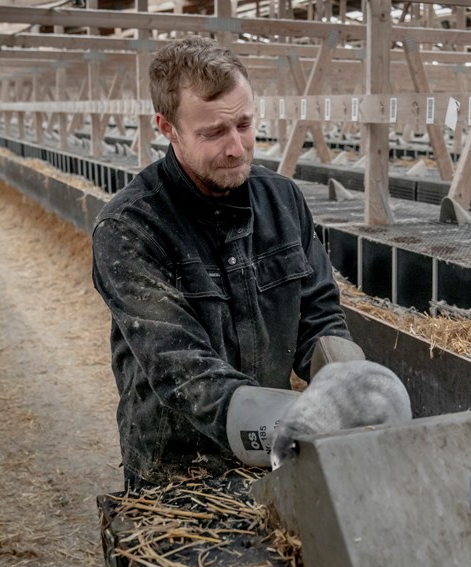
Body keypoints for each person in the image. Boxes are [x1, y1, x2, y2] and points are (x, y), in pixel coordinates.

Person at [92, 36, 363, 489]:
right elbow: (181, 367)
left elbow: (318, 314)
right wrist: (290, 423)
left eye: (244, 124)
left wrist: (349, 383)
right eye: (214, 133)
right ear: (168, 128)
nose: (236, 147)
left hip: (270, 453)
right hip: (179, 472)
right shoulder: (130, 227)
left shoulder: (283, 201)